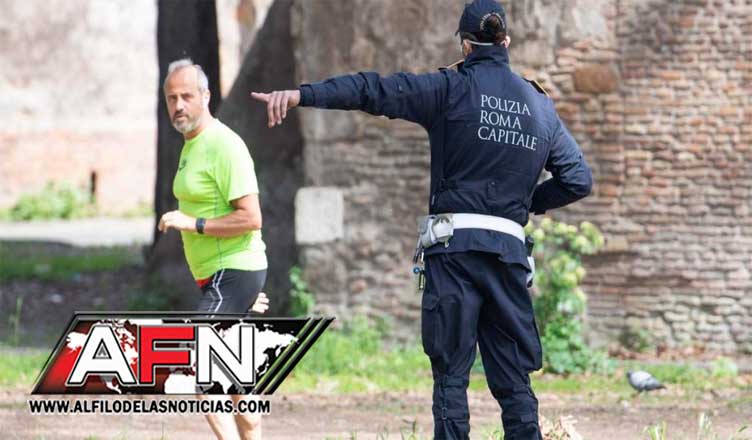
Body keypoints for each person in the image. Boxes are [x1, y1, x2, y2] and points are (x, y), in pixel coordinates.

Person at [251, 0, 593, 438]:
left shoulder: (448, 88)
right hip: (508, 255)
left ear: (465, 45)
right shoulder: (540, 107)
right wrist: (525, 205)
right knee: (514, 382)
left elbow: (373, 91)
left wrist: (302, 95)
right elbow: (577, 179)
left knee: (451, 377)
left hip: (454, 252)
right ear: (506, 42)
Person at [160, 58, 268, 440]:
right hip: (225, 278)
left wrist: (193, 223)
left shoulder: (223, 145)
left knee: (198, 364)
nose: (179, 105)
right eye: (172, 98)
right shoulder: (192, 145)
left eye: (187, 96)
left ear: (206, 96)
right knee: (240, 390)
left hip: (232, 271)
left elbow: (251, 217)